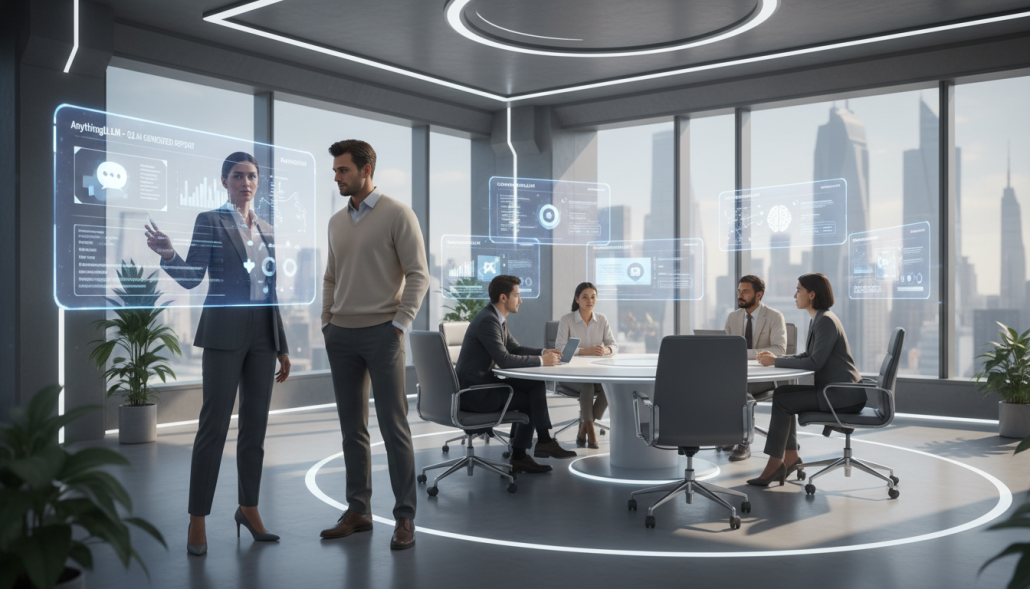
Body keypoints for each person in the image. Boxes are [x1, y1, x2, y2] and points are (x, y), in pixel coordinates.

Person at [145, 151, 291, 556]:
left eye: (252, 176)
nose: (246, 183)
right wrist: (169, 255)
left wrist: (281, 345)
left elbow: (271, 291)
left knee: (255, 430)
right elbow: (193, 277)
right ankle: (198, 519)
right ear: (224, 181)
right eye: (238, 176)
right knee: (213, 428)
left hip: (263, 338)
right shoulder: (210, 221)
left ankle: (249, 508)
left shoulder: (267, 229)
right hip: (224, 335)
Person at [317, 140, 428, 551]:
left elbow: (419, 274)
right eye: (335, 170)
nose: (336, 176)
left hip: (383, 333)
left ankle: (405, 517)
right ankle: (358, 510)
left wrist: (399, 325)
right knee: (352, 429)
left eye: (343, 169)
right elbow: (331, 276)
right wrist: (327, 320)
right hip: (341, 335)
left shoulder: (398, 214)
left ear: (366, 170)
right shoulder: (335, 222)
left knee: (393, 427)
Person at [749, 273, 863, 487]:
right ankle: (791, 457)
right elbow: (808, 356)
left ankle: (775, 464)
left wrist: (776, 362)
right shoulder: (819, 319)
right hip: (835, 391)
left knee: (783, 401)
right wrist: (776, 359)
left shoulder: (826, 321)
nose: (795, 295)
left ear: (811, 295)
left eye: (798, 290)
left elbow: (814, 363)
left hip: (841, 395)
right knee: (781, 394)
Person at [455, 275, 577, 474]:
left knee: (533, 385)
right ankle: (524, 453)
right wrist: (542, 361)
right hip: (475, 394)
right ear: (503, 298)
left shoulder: (495, 318)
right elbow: (504, 359)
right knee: (530, 399)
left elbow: (515, 348)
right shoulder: (488, 321)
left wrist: (543, 352)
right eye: (517, 295)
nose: (521, 300)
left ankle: (541, 442)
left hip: (481, 385)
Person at [721, 275, 786, 462]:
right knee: (721, 386)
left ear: (759, 295)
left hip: (763, 378)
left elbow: (779, 350)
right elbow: (726, 349)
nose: (740, 295)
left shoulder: (774, 316)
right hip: (737, 375)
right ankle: (730, 434)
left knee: (740, 391)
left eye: (745, 292)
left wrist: (743, 352)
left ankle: (744, 442)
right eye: (739, 291)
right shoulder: (733, 317)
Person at [554, 282, 618, 449]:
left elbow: (614, 345)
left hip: (595, 373)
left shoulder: (602, 319)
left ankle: (584, 427)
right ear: (577, 299)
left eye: (593, 297)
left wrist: (606, 350)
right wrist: (584, 351)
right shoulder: (567, 320)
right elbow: (560, 348)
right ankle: (591, 430)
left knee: (609, 385)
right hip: (570, 376)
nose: (590, 300)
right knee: (587, 386)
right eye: (585, 297)